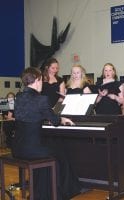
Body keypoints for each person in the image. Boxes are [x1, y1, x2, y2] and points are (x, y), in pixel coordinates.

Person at [12, 67, 81, 200]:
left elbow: (28, 115)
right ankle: (62, 192)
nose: (42, 83)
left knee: (49, 148)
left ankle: (41, 191)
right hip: (32, 150)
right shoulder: (41, 99)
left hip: (17, 148)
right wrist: (63, 119)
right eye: (41, 80)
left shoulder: (18, 97)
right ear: (37, 81)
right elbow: (55, 121)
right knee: (61, 153)